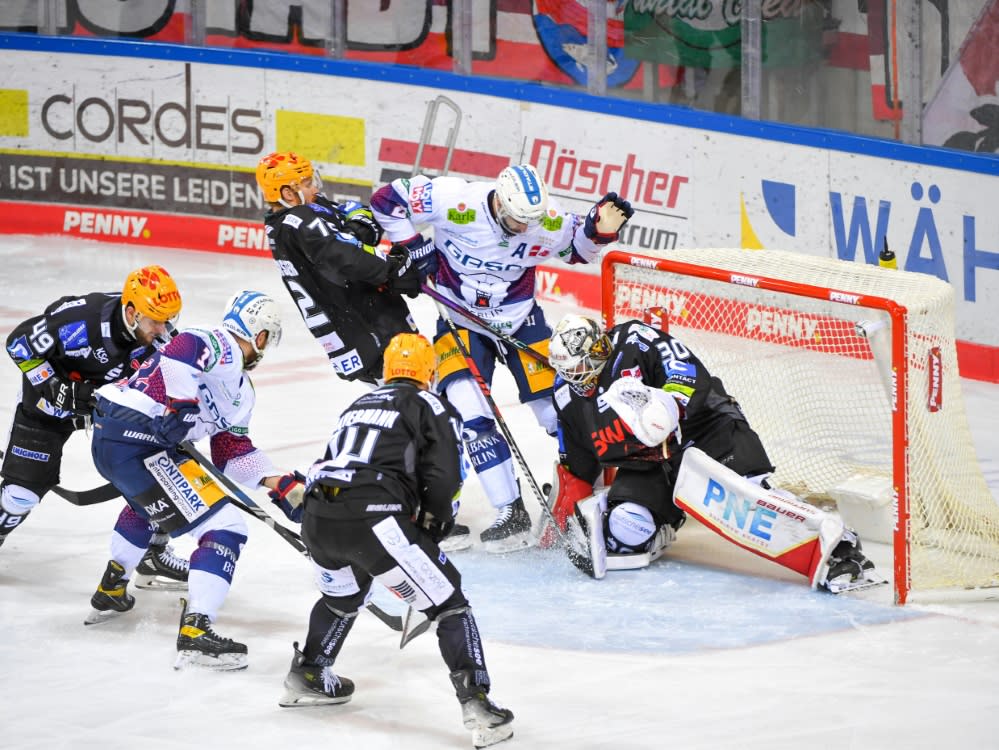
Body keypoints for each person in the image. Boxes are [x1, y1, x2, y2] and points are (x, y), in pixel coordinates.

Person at [371, 163, 634, 552]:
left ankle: (591, 490)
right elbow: (385, 201)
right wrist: (413, 244)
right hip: (459, 322)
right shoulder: (455, 198)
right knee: (469, 416)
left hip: (521, 321)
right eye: (516, 220)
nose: (525, 229)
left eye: (532, 222)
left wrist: (599, 230)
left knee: (557, 409)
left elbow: (578, 249)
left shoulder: (547, 218)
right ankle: (510, 511)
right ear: (498, 201)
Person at [275, 332, 514, 749]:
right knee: (449, 604)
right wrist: (434, 527)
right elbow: (444, 476)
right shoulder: (429, 403)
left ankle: (309, 673)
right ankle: (478, 704)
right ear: (429, 373)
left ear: (387, 370)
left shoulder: (357, 405)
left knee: (342, 598)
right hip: (375, 521)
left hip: (319, 517)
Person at [545, 313, 883, 593]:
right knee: (624, 530)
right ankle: (664, 525)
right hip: (651, 465)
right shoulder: (567, 401)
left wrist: (668, 407)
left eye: (590, 358)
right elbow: (579, 466)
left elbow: (684, 368)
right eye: (576, 369)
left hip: (705, 429)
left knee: (752, 500)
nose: (587, 371)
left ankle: (839, 548)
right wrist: (563, 514)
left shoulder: (634, 339)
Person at [85, 291, 306, 671]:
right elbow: (181, 349)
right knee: (227, 527)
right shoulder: (221, 343)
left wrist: (278, 482)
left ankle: (112, 586)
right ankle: (197, 631)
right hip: (137, 436)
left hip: (118, 439)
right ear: (262, 336)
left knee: (156, 499)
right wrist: (183, 405)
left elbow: (229, 452)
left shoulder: (240, 390)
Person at [1, 265, 189, 588]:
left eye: (167, 319)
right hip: (49, 408)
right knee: (21, 495)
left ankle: (152, 551)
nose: (163, 329)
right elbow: (19, 343)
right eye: (154, 320)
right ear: (131, 312)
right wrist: (53, 385)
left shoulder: (160, 335)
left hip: (107, 412)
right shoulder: (81, 320)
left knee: (160, 469)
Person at [254, 151, 421, 386]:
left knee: (405, 405)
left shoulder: (298, 218)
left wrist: (352, 236)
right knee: (413, 404)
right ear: (288, 193)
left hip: (356, 336)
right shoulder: (297, 222)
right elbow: (342, 254)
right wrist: (391, 269)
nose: (315, 188)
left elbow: (357, 213)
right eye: (307, 183)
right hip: (370, 331)